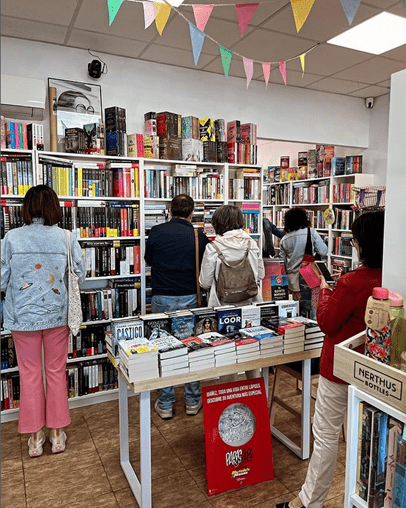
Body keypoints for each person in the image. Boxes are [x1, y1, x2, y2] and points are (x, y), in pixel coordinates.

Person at [276, 209, 385, 508]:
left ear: (365, 243)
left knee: (325, 434)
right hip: (372, 367)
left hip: (339, 367)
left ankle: (308, 502)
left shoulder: (352, 282)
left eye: (355, 240)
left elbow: (327, 323)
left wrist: (324, 292)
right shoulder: (388, 277)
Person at [1, 185, 86, 457]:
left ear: (26, 208)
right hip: (56, 316)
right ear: (53, 207)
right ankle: (57, 434)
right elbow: (80, 274)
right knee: (55, 372)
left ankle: (36, 437)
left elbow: (2, 279)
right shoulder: (65, 237)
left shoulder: (11, 238)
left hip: (22, 318)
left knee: (29, 374)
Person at [144, 194, 209, 419]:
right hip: (190, 297)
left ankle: (166, 403)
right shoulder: (199, 236)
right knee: (191, 348)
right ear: (192, 214)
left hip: (162, 297)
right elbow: (204, 267)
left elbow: (148, 260)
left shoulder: (156, 232)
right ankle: (192, 401)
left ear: (170, 211)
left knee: (164, 348)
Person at [199, 205, 265, 380]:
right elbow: (262, 274)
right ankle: (254, 397)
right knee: (252, 352)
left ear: (217, 223)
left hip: (223, 309)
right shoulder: (253, 243)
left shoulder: (212, 247)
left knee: (226, 355)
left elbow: (204, 282)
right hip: (251, 305)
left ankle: (230, 399)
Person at [279, 208, 328, 315]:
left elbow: (282, 262)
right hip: (311, 277)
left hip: (293, 280)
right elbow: (324, 251)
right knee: (314, 309)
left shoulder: (284, 239)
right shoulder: (311, 232)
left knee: (297, 311)